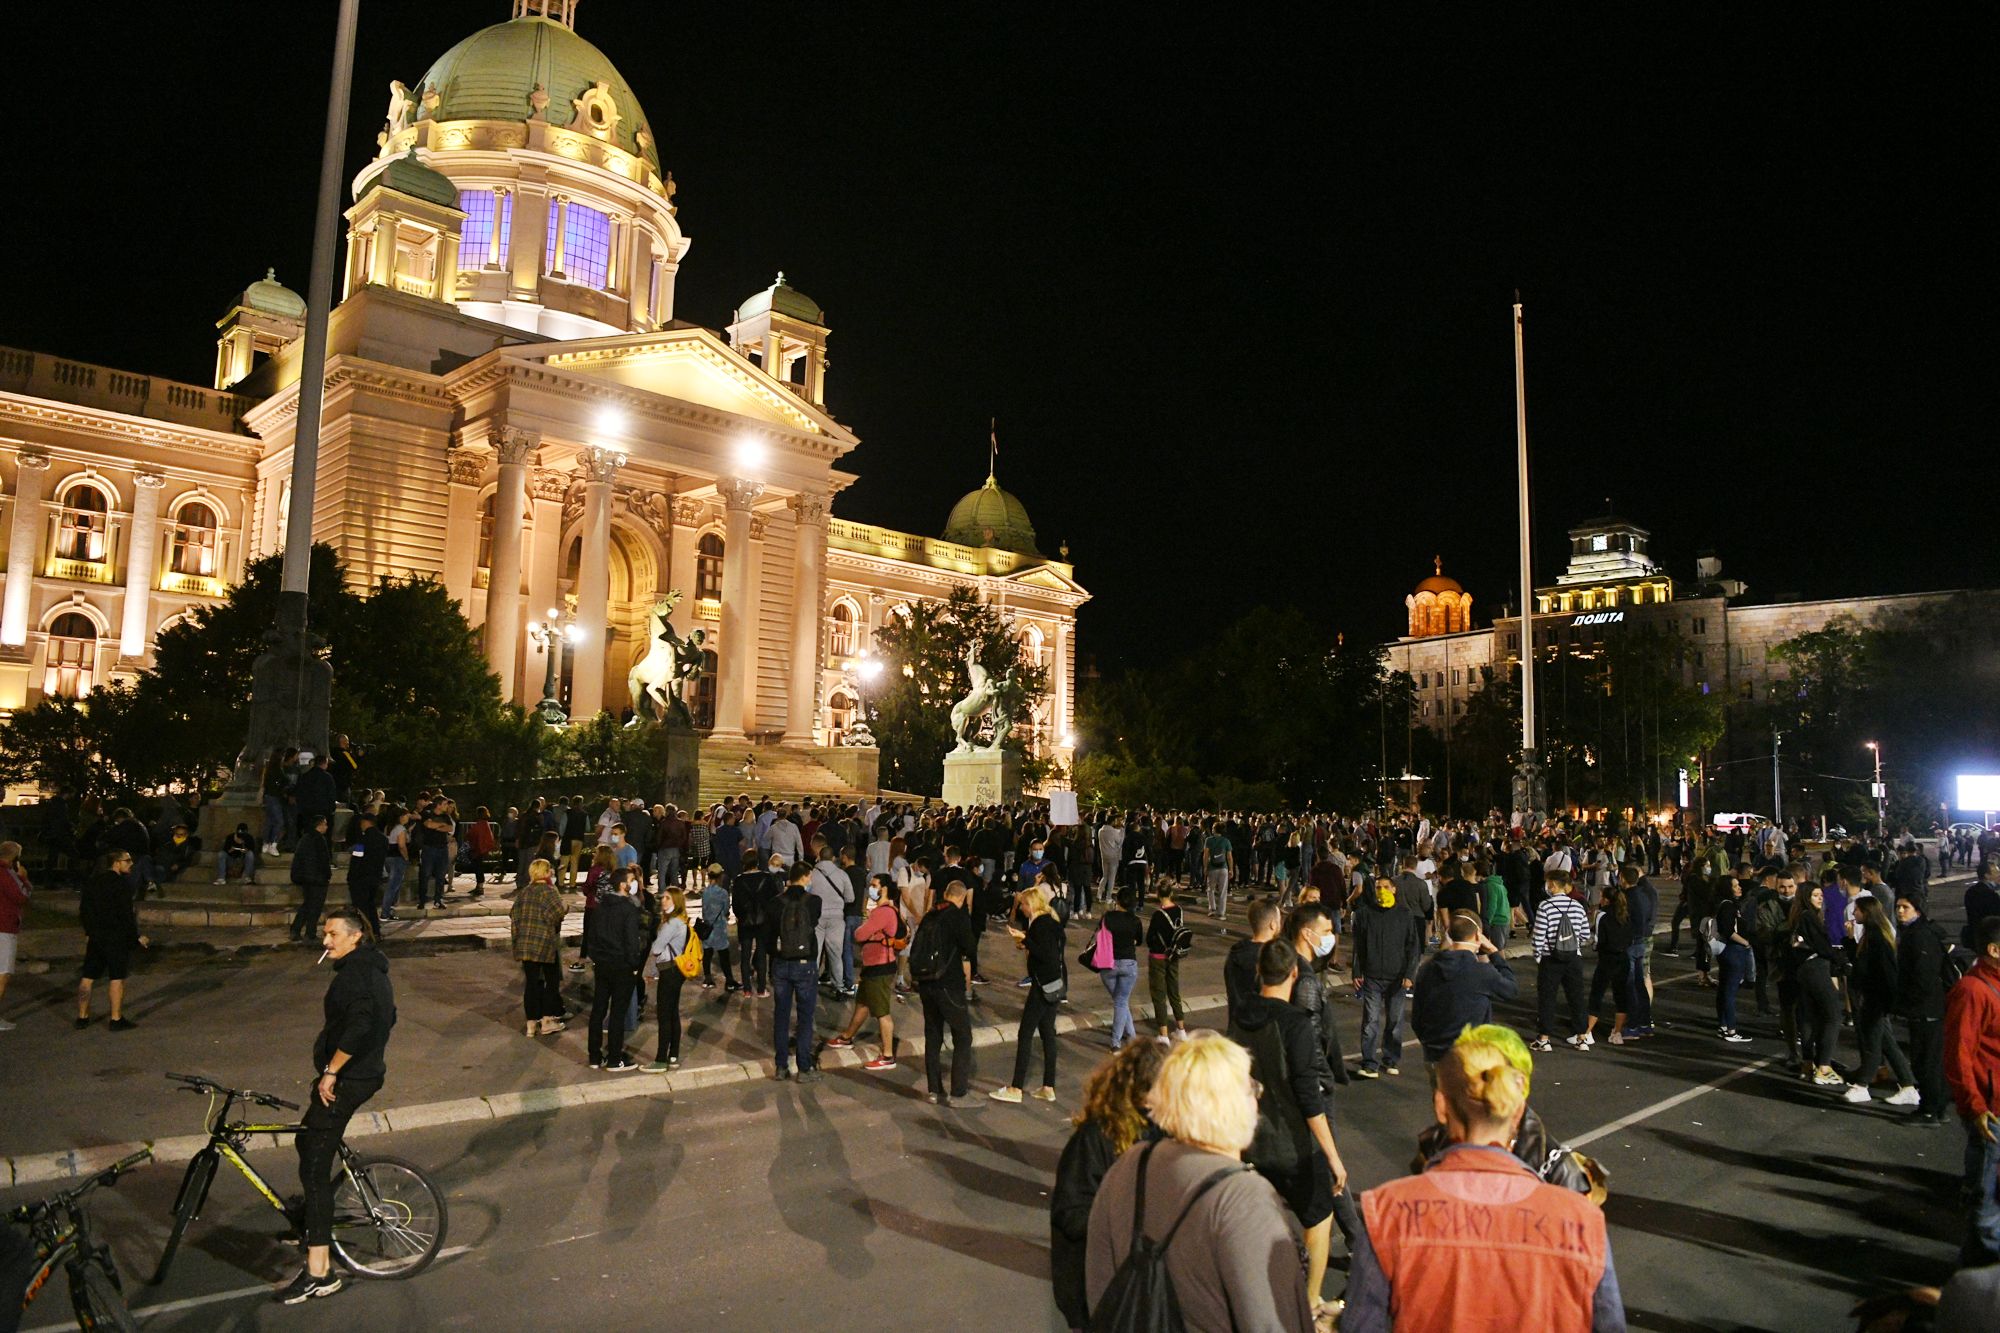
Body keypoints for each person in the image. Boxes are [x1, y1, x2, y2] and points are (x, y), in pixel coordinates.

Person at [1343, 1026, 1626, 1332]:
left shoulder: (1387, 1210)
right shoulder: (1582, 1220)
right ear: (1516, 1110)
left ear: (1441, 1105)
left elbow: (1361, 1325)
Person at [1084, 1033, 1315, 1333]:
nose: (1257, 1098)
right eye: (1250, 1088)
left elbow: (1100, 1288)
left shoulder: (1131, 1163)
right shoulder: (1243, 1198)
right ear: (1228, 1106)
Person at [278, 907, 394, 1304]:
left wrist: (332, 1071)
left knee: (314, 1166)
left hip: (350, 1078)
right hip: (361, 1072)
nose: (325, 941)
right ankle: (311, 1215)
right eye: (325, 934)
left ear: (354, 936)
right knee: (307, 1142)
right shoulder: (369, 968)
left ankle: (319, 1273)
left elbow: (362, 1024)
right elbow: (388, 1017)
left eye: (332, 934)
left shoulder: (357, 974)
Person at [1232, 939, 1351, 1319]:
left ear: (1258, 973)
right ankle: (1310, 1301)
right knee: (1318, 1215)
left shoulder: (1240, 1017)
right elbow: (1308, 1097)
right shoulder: (1295, 1023)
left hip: (1249, 1140)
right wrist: (1333, 1156)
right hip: (1292, 1144)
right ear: (1294, 974)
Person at [1051, 1039, 1167, 1331]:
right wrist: (1127, 1223)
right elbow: (1070, 1212)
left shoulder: (1157, 1127)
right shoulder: (1095, 1137)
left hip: (1131, 1281)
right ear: (1142, 1091)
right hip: (1096, 1288)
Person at [1945, 914, 2000, 1265]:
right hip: (1989, 1112)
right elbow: (1958, 1055)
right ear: (1994, 950)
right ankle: (1978, 1281)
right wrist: (1975, 1106)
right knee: (1985, 1202)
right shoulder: (1972, 990)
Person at [1411, 913, 1519, 1066]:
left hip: (1436, 1054)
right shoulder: (1481, 972)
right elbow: (1511, 990)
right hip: (1470, 1055)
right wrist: (1494, 952)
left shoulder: (1427, 968)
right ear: (1477, 936)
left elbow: (1417, 1018)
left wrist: (1430, 1045)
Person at [991, 885, 1066, 1104]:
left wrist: (1026, 940)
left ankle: (1016, 1088)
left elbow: (1046, 953)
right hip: (1054, 983)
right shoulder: (1051, 922)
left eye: (1023, 904)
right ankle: (1048, 1086)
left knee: (1025, 1034)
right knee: (1047, 1034)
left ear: (1031, 904)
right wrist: (1026, 941)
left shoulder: (1040, 924)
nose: (1021, 908)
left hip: (1042, 985)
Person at [1844, 895, 1920, 1107]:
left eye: (1857, 910)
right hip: (1874, 998)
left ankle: (1862, 1086)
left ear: (1867, 913)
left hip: (1876, 1000)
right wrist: (1850, 940)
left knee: (1871, 1044)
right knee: (1887, 1044)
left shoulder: (1877, 938)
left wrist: (1887, 1002)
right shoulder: (1872, 935)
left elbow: (1887, 972)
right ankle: (1908, 1087)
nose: (1853, 914)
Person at [827, 875, 904, 1070]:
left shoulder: (882, 912)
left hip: (880, 966)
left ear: (884, 888)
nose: (871, 888)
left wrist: (868, 929)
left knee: (882, 1013)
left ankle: (887, 1056)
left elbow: (859, 934)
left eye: (874, 885)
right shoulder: (889, 910)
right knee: (862, 1004)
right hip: (875, 966)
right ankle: (847, 1037)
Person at [912, 879, 978, 1104]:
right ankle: (959, 1092)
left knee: (933, 1034)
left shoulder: (931, 914)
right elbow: (969, 947)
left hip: (925, 982)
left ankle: (934, 1089)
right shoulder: (958, 917)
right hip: (948, 983)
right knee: (963, 1035)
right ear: (960, 897)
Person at [1352, 878, 1421, 1078]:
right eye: (1378, 887)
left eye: (1385, 887)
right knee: (1370, 1021)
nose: (1381, 890)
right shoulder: (1365, 914)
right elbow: (1359, 946)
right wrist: (1357, 972)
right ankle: (1369, 1063)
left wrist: (1410, 974)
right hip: (1372, 977)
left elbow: (1413, 947)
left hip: (1397, 978)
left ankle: (1391, 1059)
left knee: (1394, 1021)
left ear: (1394, 889)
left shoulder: (1404, 915)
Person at [76, 850, 148, 1031]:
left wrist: (89, 932)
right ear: (116, 863)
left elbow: (84, 910)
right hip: (116, 937)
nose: (131, 864)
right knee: (116, 978)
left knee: (88, 977)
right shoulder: (122, 885)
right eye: (127, 860)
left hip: (97, 936)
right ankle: (116, 1019)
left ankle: (82, 1017)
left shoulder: (93, 883)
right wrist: (136, 938)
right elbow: (126, 915)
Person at [584, 872, 645, 1072]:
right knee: (618, 1012)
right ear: (622, 885)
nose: (633, 883)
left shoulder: (601, 907)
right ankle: (614, 1058)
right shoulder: (628, 909)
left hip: (602, 964)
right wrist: (634, 964)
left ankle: (594, 1056)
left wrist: (597, 957)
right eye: (630, 880)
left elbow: (591, 936)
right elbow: (631, 940)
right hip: (622, 966)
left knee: (598, 1009)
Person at [1787, 880, 1846, 1087]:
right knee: (1833, 1015)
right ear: (1805, 898)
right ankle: (1824, 1067)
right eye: (1815, 895)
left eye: (1821, 895)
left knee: (1810, 1016)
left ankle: (1808, 1062)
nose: (1820, 898)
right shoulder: (1809, 917)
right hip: (1816, 968)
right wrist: (1842, 960)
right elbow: (1823, 947)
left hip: (1804, 970)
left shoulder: (1799, 916)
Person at [771, 862, 825, 1082]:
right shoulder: (814, 902)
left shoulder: (775, 903)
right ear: (805, 877)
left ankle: (781, 1066)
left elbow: (768, 937)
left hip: (782, 964)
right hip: (806, 964)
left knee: (781, 1016)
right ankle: (804, 1067)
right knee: (805, 1016)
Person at [1530, 869, 1593, 1051]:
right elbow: (1585, 934)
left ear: (1553, 885)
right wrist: (1575, 947)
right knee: (1576, 997)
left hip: (1551, 959)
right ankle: (1582, 1038)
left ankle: (1544, 1039)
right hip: (1573, 958)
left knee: (1547, 998)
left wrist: (1538, 956)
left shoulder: (1545, 907)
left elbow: (1539, 936)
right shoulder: (1577, 906)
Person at [510, 857, 568, 1039]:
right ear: (545, 872)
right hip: (543, 943)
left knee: (532, 983)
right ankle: (547, 1021)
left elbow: (514, 915)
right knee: (550, 982)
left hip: (525, 944)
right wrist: (566, 907)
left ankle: (530, 1024)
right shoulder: (549, 892)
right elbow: (556, 914)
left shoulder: (524, 892)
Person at [643, 892, 693, 1071]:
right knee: (672, 1013)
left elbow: (656, 948)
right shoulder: (681, 920)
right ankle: (673, 1055)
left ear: (676, 901)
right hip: (676, 970)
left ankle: (660, 1059)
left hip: (670, 971)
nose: (662, 900)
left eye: (667, 898)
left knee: (664, 1014)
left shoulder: (672, 923)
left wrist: (650, 970)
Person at [1586, 881, 1636, 1048]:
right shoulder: (1625, 914)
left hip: (1607, 959)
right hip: (1623, 959)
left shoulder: (1602, 915)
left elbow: (1599, 940)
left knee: (1597, 995)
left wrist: (1596, 947)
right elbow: (1630, 938)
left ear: (1606, 900)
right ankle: (1617, 1032)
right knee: (1620, 996)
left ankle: (1587, 1033)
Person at [1098, 884, 1144, 1049]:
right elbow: (1139, 941)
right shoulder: (1136, 921)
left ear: (1117, 901)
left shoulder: (1107, 917)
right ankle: (1128, 1038)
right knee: (1121, 1002)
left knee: (1120, 1002)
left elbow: (1100, 935)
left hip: (1108, 964)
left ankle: (1117, 1042)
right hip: (1129, 964)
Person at [1712, 871, 1755, 1043]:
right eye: (1735, 886)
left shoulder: (1721, 904)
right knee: (1729, 992)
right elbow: (1728, 930)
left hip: (1725, 952)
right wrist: (1745, 943)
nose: (1739, 888)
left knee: (1724, 990)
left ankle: (1723, 1026)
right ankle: (1730, 1029)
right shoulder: (1728, 906)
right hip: (1733, 951)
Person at [1226, 897, 1282, 1029]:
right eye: (1279, 920)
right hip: (1262, 1034)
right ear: (1273, 924)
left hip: (1236, 1030)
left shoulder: (1235, 954)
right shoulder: (1270, 958)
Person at [1147, 881, 1190, 1040]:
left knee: (1159, 995)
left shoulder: (1158, 915)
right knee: (1174, 991)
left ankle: (1163, 1035)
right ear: (1171, 893)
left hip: (1158, 957)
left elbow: (1149, 938)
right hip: (1174, 956)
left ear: (1158, 894)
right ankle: (1181, 1029)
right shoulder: (1179, 910)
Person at [289, 814, 333, 944]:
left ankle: (296, 930)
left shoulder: (305, 838)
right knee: (315, 907)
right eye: (324, 824)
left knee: (308, 905)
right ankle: (310, 933)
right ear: (319, 825)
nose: (326, 826)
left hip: (307, 878)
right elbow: (323, 860)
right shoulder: (319, 840)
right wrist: (327, 875)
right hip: (317, 879)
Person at [344, 809, 387, 936]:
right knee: (371, 905)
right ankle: (375, 931)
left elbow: (357, 859)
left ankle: (365, 932)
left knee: (361, 908)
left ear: (366, 822)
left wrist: (351, 877)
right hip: (375, 876)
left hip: (360, 878)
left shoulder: (363, 839)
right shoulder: (383, 839)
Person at [0, 842, 28, 1031]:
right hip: (4, 928)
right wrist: (24, 878)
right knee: (3, 974)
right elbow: (21, 896)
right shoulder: (6, 873)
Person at [698, 863, 737, 992]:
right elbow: (726, 909)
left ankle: (708, 978)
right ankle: (729, 981)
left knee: (707, 954)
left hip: (707, 927)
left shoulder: (705, 892)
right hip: (719, 927)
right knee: (724, 955)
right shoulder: (723, 893)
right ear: (721, 876)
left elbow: (704, 910)